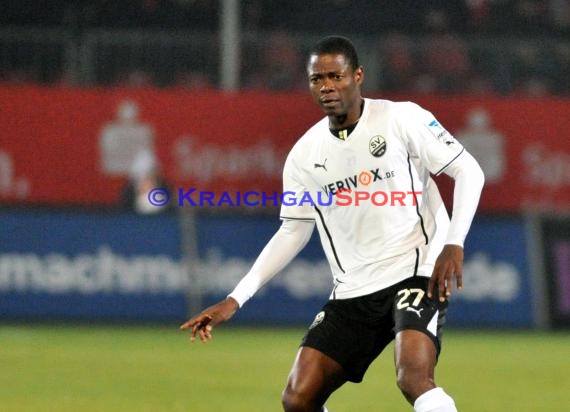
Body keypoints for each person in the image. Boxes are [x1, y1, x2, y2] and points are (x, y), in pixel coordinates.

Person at [181, 36, 485, 412]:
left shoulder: (401, 118)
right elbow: (293, 231)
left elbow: (468, 170)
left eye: (335, 76)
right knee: (298, 397)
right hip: (354, 289)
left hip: (417, 270)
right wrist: (235, 299)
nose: (326, 86)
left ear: (358, 75)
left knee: (413, 377)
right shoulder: (304, 156)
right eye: (316, 79)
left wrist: (454, 243)